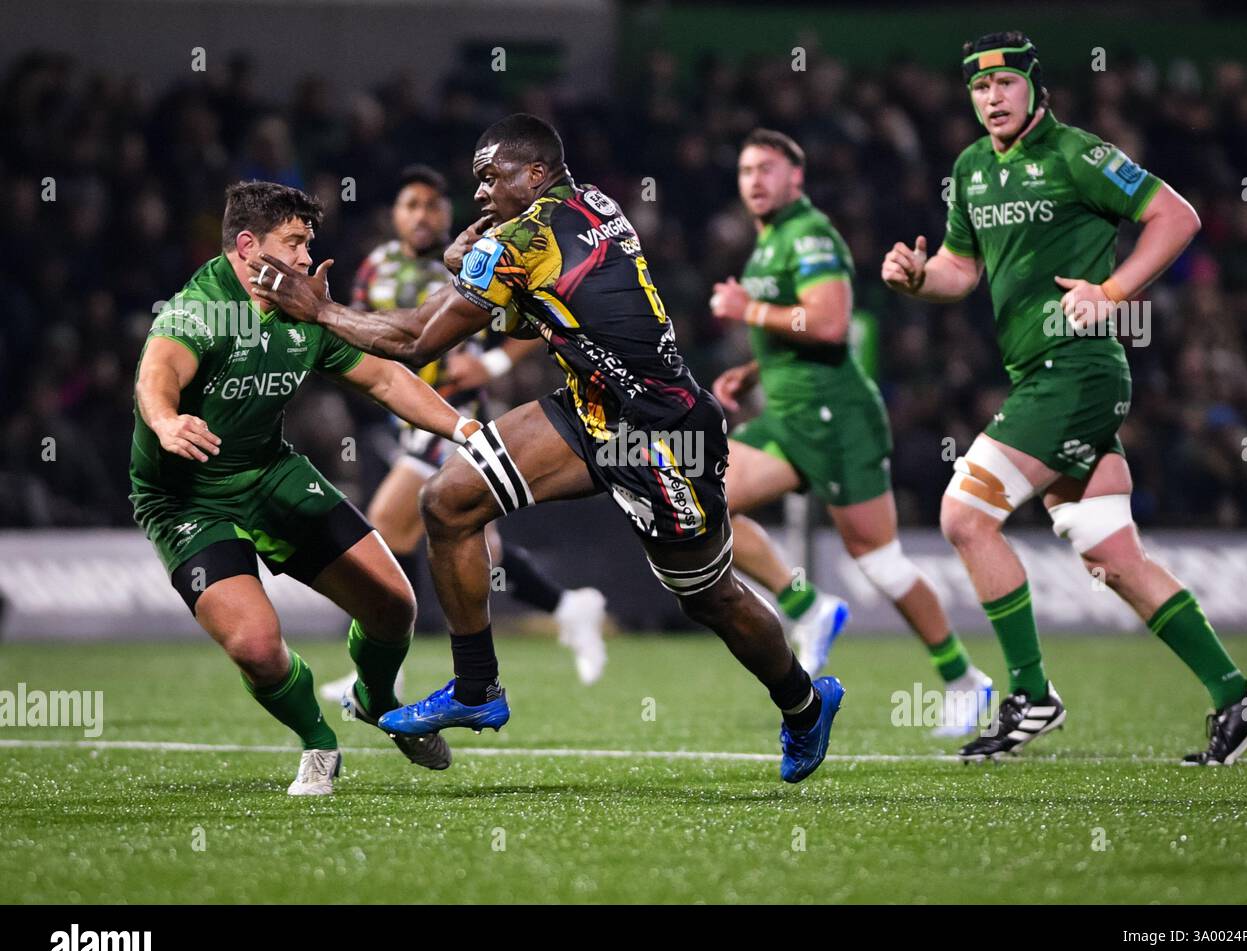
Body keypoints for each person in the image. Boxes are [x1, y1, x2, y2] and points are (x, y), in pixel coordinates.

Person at [251, 114, 845, 783]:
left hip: (659, 433)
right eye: (475, 179)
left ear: (535, 173)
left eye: (490, 176)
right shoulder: (590, 202)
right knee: (448, 500)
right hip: (591, 410)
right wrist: (468, 268)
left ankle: (803, 703)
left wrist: (321, 309)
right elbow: (537, 306)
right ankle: (477, 688)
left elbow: (418, 341)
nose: (478, 192)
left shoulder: (525, 237)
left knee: (710, 598)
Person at [881, 32, 1247, 763]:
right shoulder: (971, 168)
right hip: (1042, 375)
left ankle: (1031, 694)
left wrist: (1115, 289)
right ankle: (1236, 694)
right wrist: (916, 277)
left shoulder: (1076, 155)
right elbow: (959, 271)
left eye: (1005, 85)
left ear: (1035, 87)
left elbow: (1177, 217)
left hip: (1079, 370)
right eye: (978, 88)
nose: (991, 99)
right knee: (1113, 556)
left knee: (964, 517)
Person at [131, 180, 478, 794]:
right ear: (246, 246)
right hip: (188, 498)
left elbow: (386, 382)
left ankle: (375, 698)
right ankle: (319, 742)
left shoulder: (302, 307)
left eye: (306, 242)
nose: (303, 258)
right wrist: (164, 419)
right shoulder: (202, 309)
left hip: (270, 472)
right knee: (259, 648)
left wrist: (463, 428)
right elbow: (158, 370)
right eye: (292, 244)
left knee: (394, 607)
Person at [710, 128, 991, 736]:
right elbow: (801, 325)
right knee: (701, 498)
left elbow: (832, 324)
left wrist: (748, 311)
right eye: (746, 170)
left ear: (796, 178)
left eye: (767, 168)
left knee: (881, 563)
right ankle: (808, 608)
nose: (755, 180)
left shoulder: (808, 234)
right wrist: (757, 366)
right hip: (789, 415)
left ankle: (966, 679)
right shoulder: (771, 243)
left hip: (838, 421)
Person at [316, 165, 607, 701]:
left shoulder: (479, 256)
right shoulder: (376, 268)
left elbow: (538, 313)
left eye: (433, 205)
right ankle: (570, 607)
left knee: (385, 526)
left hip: (455, 413)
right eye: (411, 205)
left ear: (449, 214)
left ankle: (384, 672)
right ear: (395, 214)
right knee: (479, 544)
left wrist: (492, 366)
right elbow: (358, 333)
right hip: (406, 418)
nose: (422, 215)